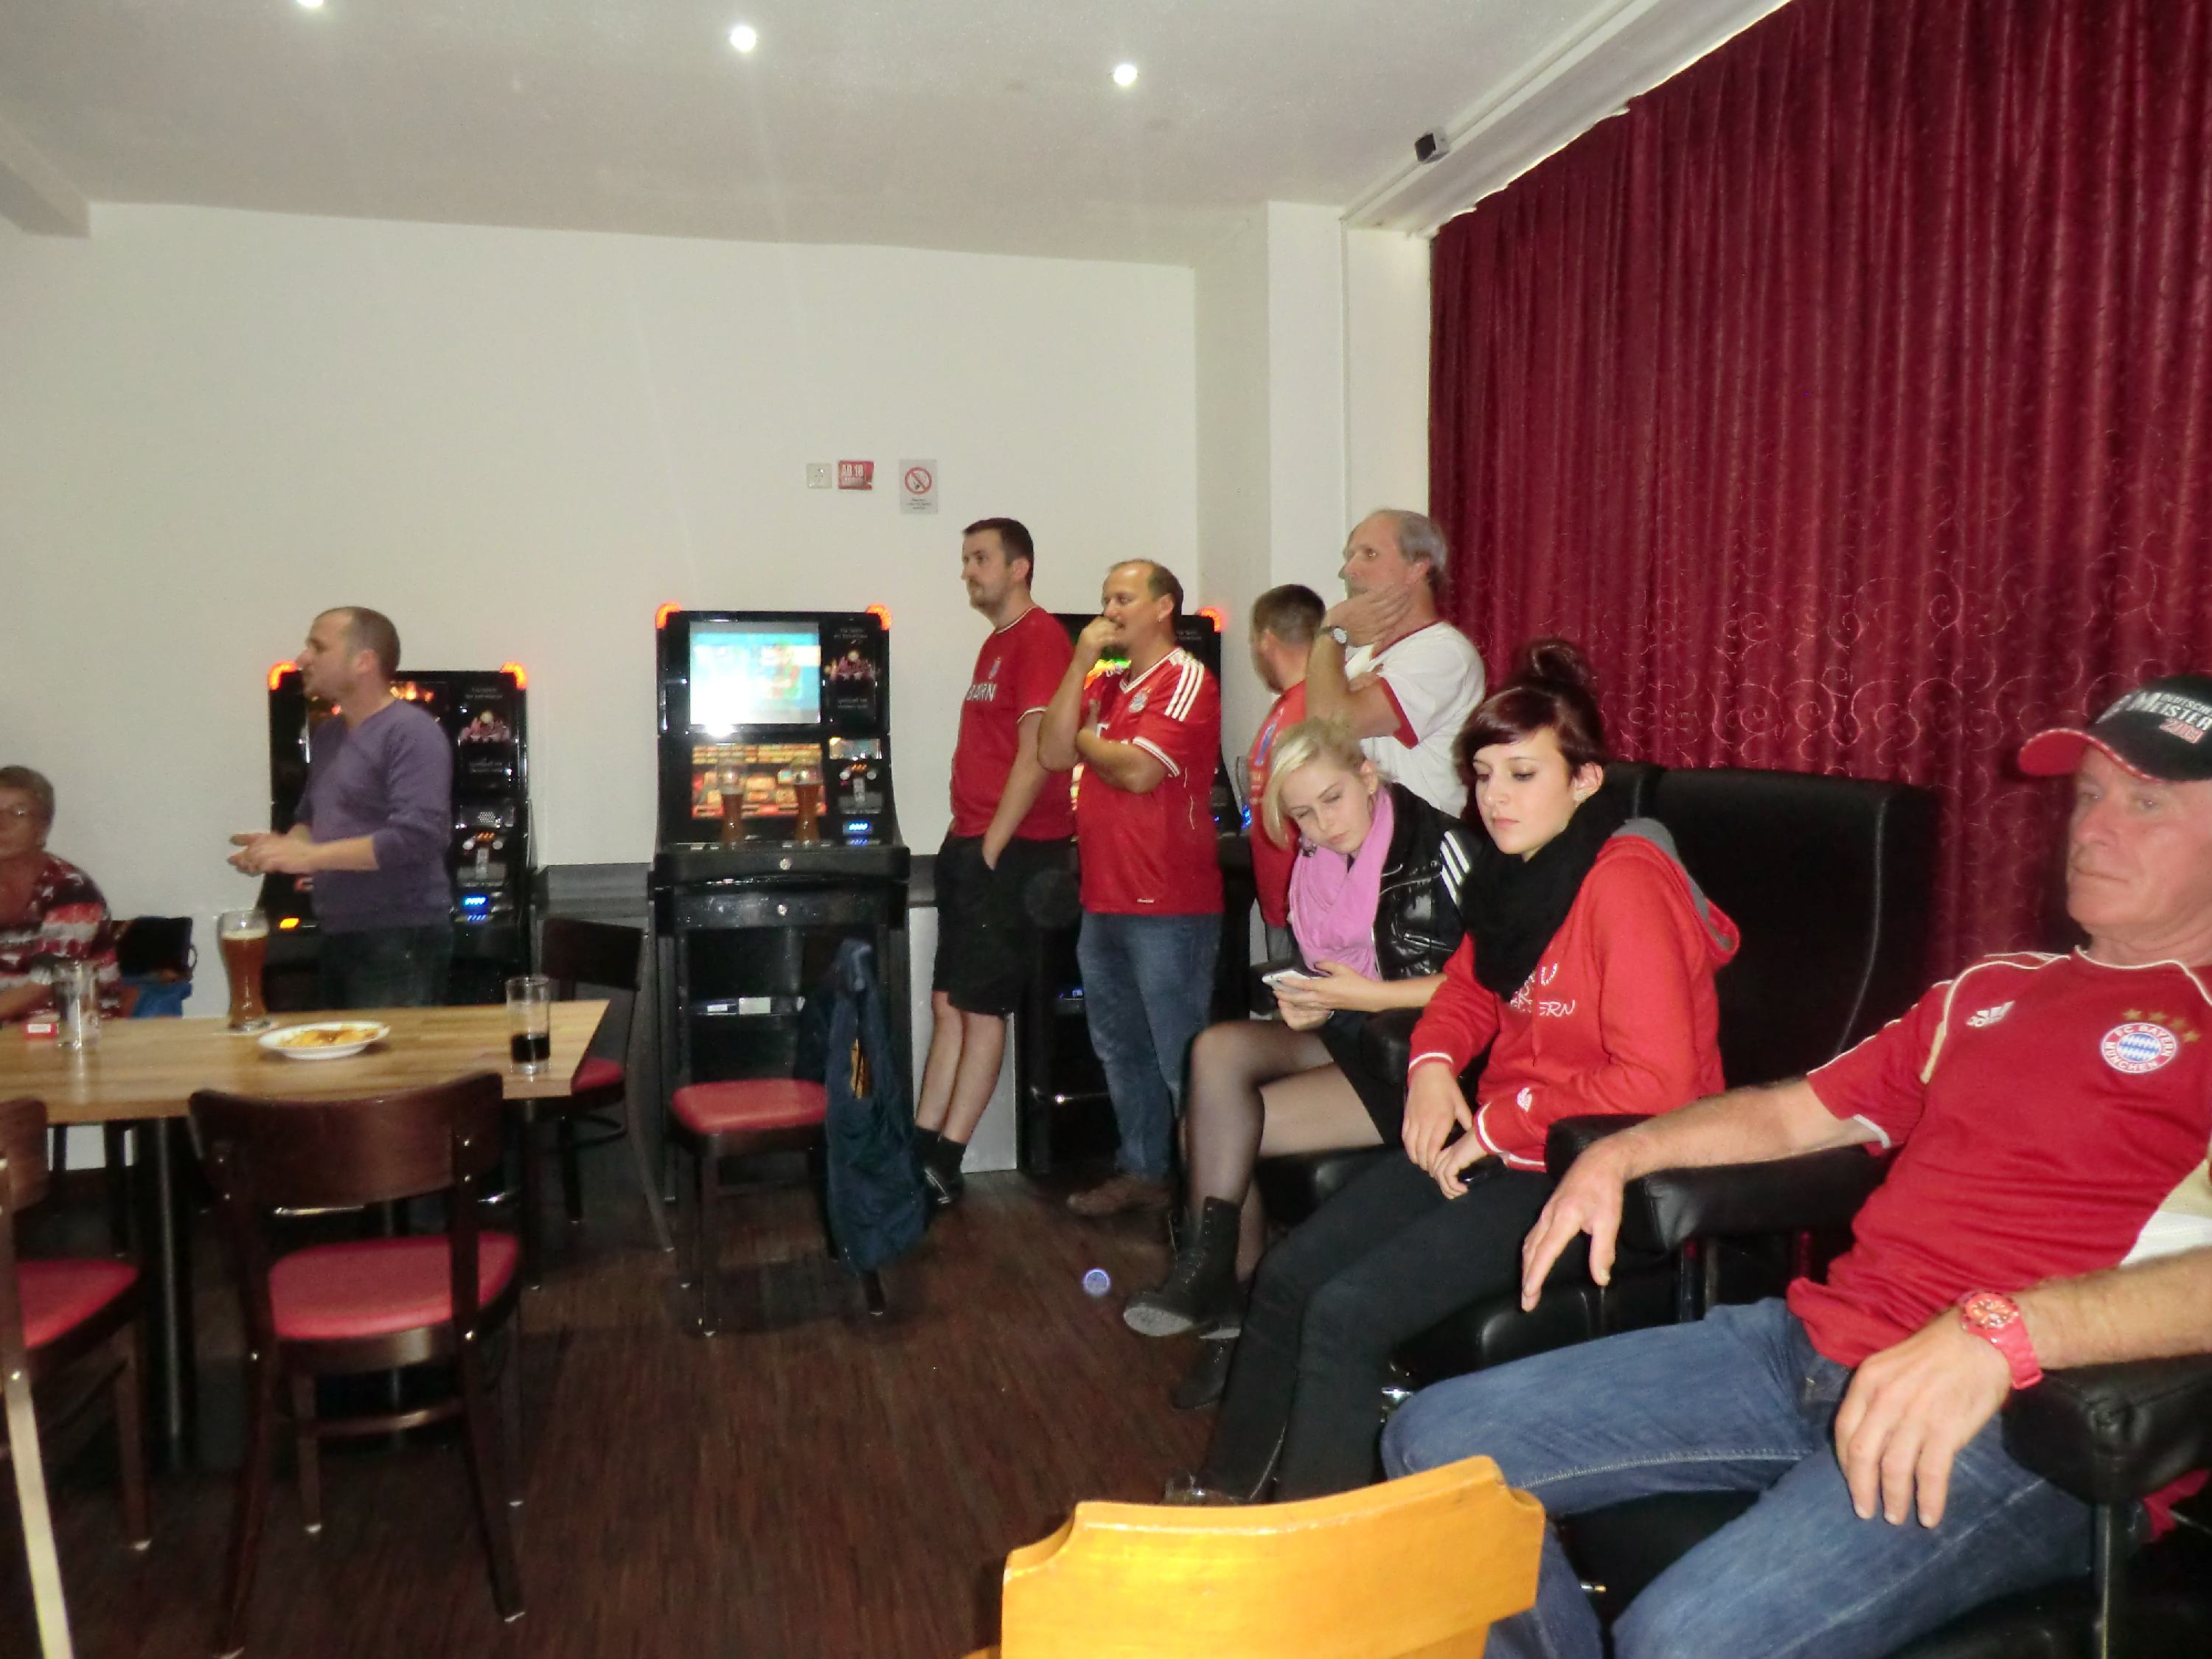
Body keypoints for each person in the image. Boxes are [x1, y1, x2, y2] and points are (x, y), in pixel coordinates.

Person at [1382, 671, 2212, 1659]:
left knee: (1681, 1639)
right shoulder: (1992, 990)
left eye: (2148, 804)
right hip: (1814, 1347)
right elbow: (1790, 1112)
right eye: (2090, 795)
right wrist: (1623, 1151)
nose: (2095, 828)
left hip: (2023, 1423)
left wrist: (2005, 1332)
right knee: (1433, 1445)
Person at [1171, 640, 1739, 1503]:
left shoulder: (1624, 885)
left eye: (1523, 774)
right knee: (1288, 1277)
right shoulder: (1516, 875)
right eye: (1483, 776)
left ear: (1586, 780)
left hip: (1593, 1160)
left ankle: (1316, 1550)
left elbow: (1659, 1085)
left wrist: (1499, 1123)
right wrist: (1435, 1065)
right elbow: (1469, 990)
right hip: (1504, 1140)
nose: (1496, 799)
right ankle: (1225, 1499)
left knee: (1348, 1312)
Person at [1123, 717, 1474, 1411]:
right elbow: (1330, 973)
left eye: (1332, 800)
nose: (1321, 825)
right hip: (1352, 1028)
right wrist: (1311, 1002)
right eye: (1303, 814)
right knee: (1215, 1055)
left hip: (1422, 1055)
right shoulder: (1318, 859)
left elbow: (1486, 984)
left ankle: (1229, 1324)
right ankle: (1217, 1287)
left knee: (1210, 1133)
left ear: (1367, 777)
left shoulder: (1441, 846)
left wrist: (1366, 997)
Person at [1040, 560, 1224, 1218]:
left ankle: (1208, 1196)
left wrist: (1090, 741)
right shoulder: (1106, 681)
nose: (1110, 610)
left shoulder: (1185, 677)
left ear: (1163, 606)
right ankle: (1145, 1171)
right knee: (1120, 1049)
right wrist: (1079, 663)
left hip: (1167, 904)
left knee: (1181, 1057)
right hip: (1103, 899)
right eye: (1105, 599)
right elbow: (1052, 752)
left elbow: (1141, 771)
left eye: (1123, 598)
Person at [911, 518, 1077, 1210]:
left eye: (980, 558)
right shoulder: (995, 645)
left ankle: (946, 1162)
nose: (968, 571)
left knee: (981, 1010)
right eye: (966, 559)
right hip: (971, 841)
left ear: (1019, 567)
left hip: (1011, 850)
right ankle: (920, 1147)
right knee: (948, 1002)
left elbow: (1039, 754)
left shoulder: (1040, 638)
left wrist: (991, 847)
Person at [229, 607, 455, 1009]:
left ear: (363, 662)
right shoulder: (331, 733)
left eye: (318, 647)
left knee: (386, 1054)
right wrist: (278, 850)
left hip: (400, 935)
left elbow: (418, 837)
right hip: (341, 931)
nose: (302, 658)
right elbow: (310, 820)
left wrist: (309, 857)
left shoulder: (411, 732)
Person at [1303, 509, 1486, 817]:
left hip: (1420, 839)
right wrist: (1345, 695)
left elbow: (1330, 721)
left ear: (1417, 568)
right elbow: (1316, 733)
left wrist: (1332, 630)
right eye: (1350, 556)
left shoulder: (1444, 652)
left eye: (1369, 554)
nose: (1349, 570)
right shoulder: (1362, 657)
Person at [0, 765, 122, 1022]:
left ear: (43, 827)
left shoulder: (72, 889)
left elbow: (44, 986)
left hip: (71, 1027)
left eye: (19, 813)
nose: (2, 824)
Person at [1244, 585, 1327, 956]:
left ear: (1266, 639)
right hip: (1281, 903)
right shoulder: (1285, 705)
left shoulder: (1316, 704)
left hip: (1307, 908)